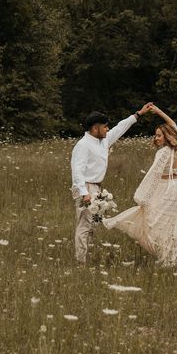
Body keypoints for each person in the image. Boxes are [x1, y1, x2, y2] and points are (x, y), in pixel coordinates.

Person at [103, 104, 177, 267]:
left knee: (156, 222)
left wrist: (142, 198)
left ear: (167, 136)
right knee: (172, 225)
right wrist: (159, 112)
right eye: (155, 135)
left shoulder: (163, 153)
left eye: (158, 136)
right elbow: (174, 126)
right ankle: (171, 257)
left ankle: (168, 258)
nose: (156, 138)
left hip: (169, 189)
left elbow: (153, 176)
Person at [70, 104, 153, 263]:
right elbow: (77, 171)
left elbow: (120, 128)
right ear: (95, 128)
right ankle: (80, 261)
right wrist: (84, 193)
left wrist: (138, 114)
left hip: (96, 187)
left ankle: (87, 256)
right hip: (85, 187)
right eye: (105, 127)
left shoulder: (103, 140)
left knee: (93, 225)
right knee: (84, 225)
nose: (108, 129)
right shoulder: (83, 145)